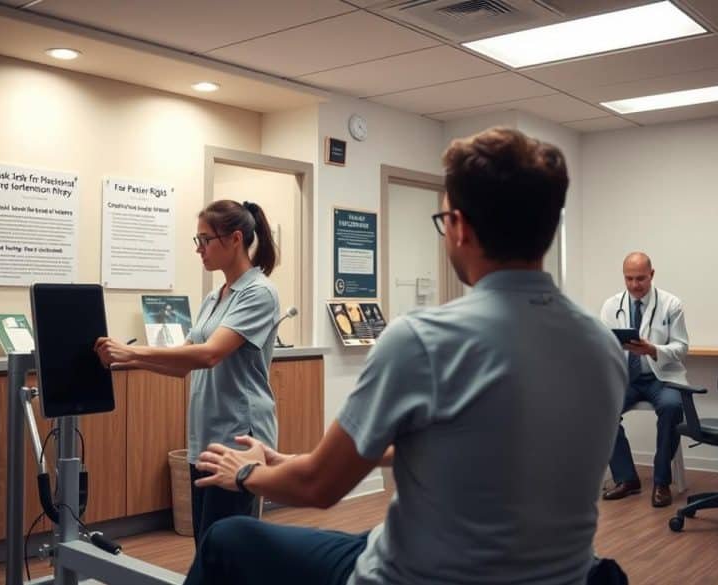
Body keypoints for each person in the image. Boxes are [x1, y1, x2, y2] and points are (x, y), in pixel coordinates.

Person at [184, 128, 627, 585]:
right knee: (368, 534)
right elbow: (481, 442)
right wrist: (286, 459)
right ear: (549, 227)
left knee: (226, 539)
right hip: (562, 577)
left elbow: (318, 487)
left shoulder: (423, 340)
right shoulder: (601, 343)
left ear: (458, 227)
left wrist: (247, 472)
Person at [94, 199, 280, 545]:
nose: (199, 250)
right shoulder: (215, 298)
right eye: (197, 241)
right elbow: (184, 362)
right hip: (206, 437)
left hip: (239, 440)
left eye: (205, 240)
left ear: (235, 238)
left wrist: (132, 351)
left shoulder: (259, 293)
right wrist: (124, 359)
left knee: (226, 550)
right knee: (206, 544)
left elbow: (210, 355)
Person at [599, 252, 689, 507]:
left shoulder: (671, 304)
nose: (634, 285)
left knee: (672, 407)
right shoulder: (611, 305)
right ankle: (627, 478)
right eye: (629, 279)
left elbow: (682, 347)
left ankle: (661, 481)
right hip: (627, 378)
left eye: (640, 278)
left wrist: (653, 350)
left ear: (652, 274)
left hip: (662, 377)